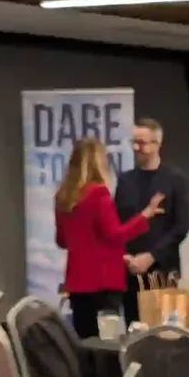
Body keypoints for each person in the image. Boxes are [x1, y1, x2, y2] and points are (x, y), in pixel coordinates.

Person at [54, 136, 163, 339]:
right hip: (103, 281)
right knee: (106, 343)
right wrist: (145, 215)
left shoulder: (62, 197)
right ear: (99, 162)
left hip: (78, 282)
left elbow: (61, 240)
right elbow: (115, 235)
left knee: (85, 340)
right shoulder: (98, 194)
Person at [114, 117, 189, 283]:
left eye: (142, 143)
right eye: (134, 142)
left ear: (157, 143)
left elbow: (181, 227)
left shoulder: (175, 180)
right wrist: (125, 256)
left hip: (164, 270)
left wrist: (152, 256)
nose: (136, 148)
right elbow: (117, 224)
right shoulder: (125, 180)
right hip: (129, 270)